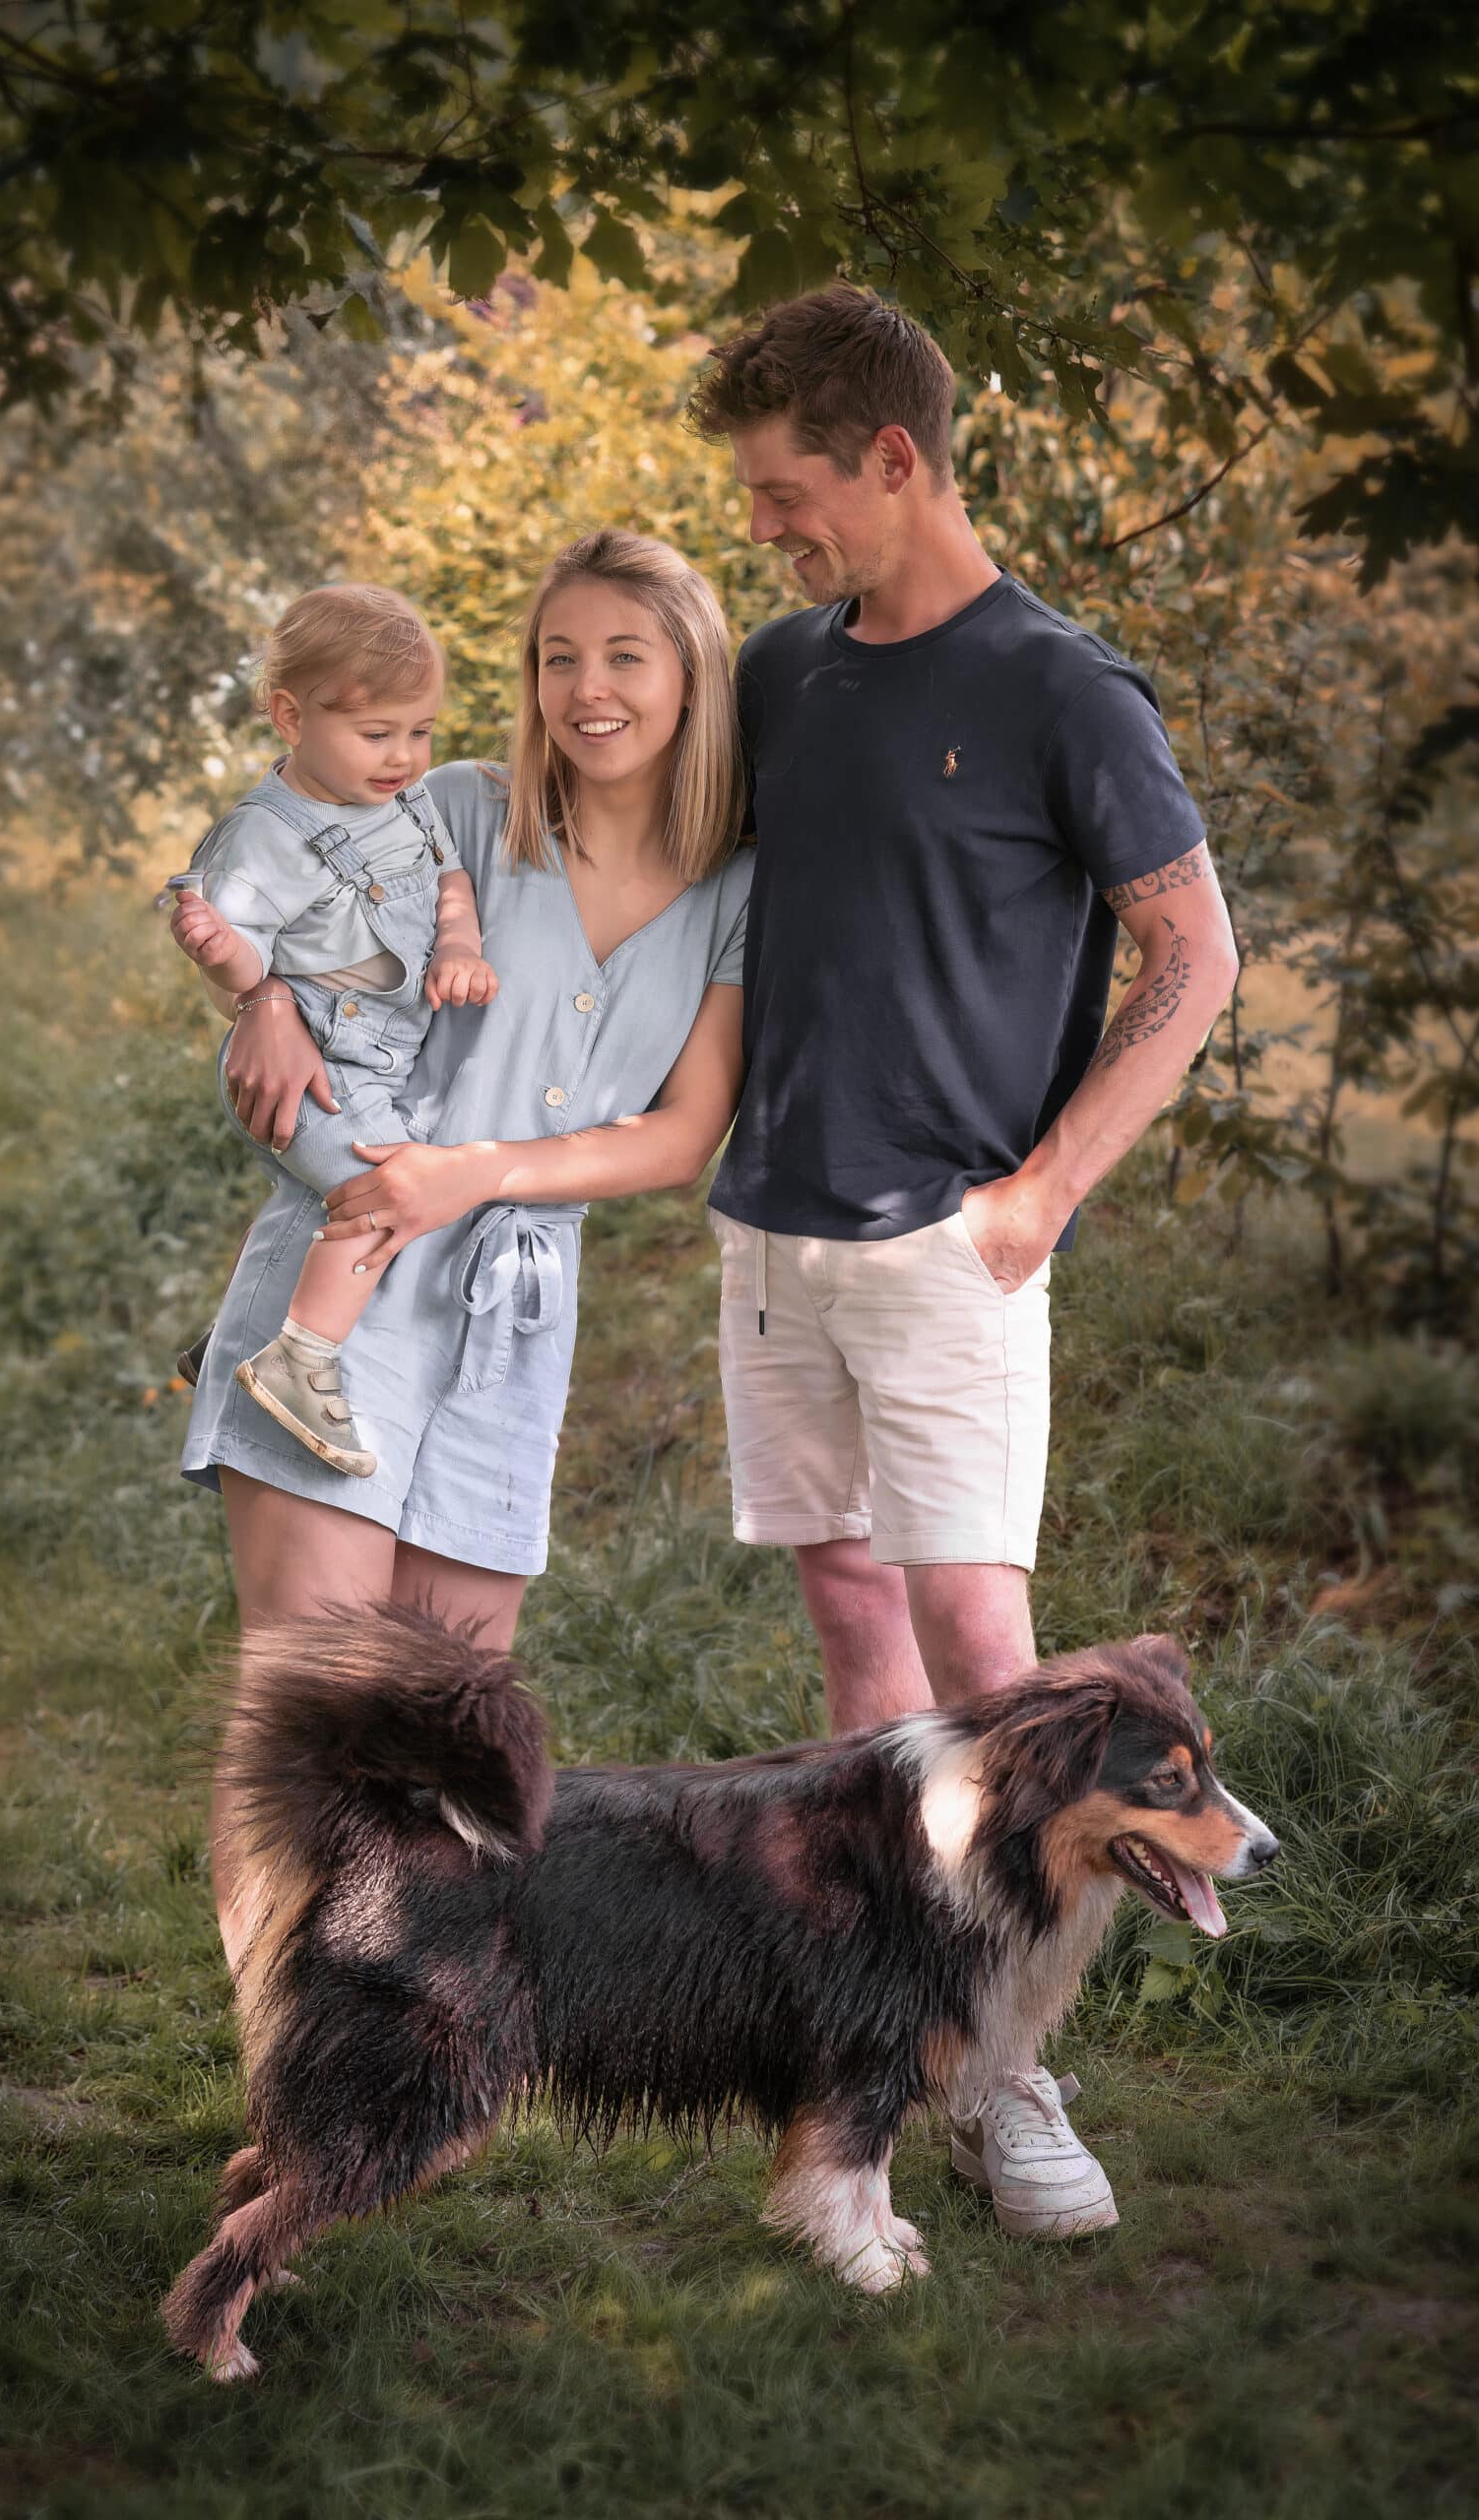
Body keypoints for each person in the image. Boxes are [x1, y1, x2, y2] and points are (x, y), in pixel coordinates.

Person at [685, 283, 1242, 2239]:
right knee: (855, 1658)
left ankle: (1013, 2082)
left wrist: (1035, 1196)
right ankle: (885, 2061)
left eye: (783, 490)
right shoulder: (778, 672)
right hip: (770, 1231)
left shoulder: (1060, 688)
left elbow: (1192, 964)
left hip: (952, 1254)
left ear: (892, 460)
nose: (763, 525)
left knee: (996, 1684)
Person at [180, 530, 751, 1972]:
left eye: (623, 653)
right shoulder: (452, 813)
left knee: (445, 1722)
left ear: (689, 672)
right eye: (557, 656)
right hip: (352, 1273)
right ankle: (280, 2073)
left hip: (513, 1319)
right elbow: (275, 914)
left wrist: (482, 1175)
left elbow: (682, 1133)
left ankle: (389, 2048)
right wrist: (265, 1009)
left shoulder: (736, 881)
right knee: (309, 1714)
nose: (585, 687)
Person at [165, 584, 496, 1476]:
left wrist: (457, 944)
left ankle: (238, 1337)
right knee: (390, 1194)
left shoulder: (410, 802)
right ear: (289, 716)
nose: (403, 756)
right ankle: (298, 1356)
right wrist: (220, 954)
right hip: (309, 1071)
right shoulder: (265, 837)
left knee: (362, 1195)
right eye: (375, 732)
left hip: (378, 1067)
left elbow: (448, 876)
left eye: (419, 730)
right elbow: (248, 969)